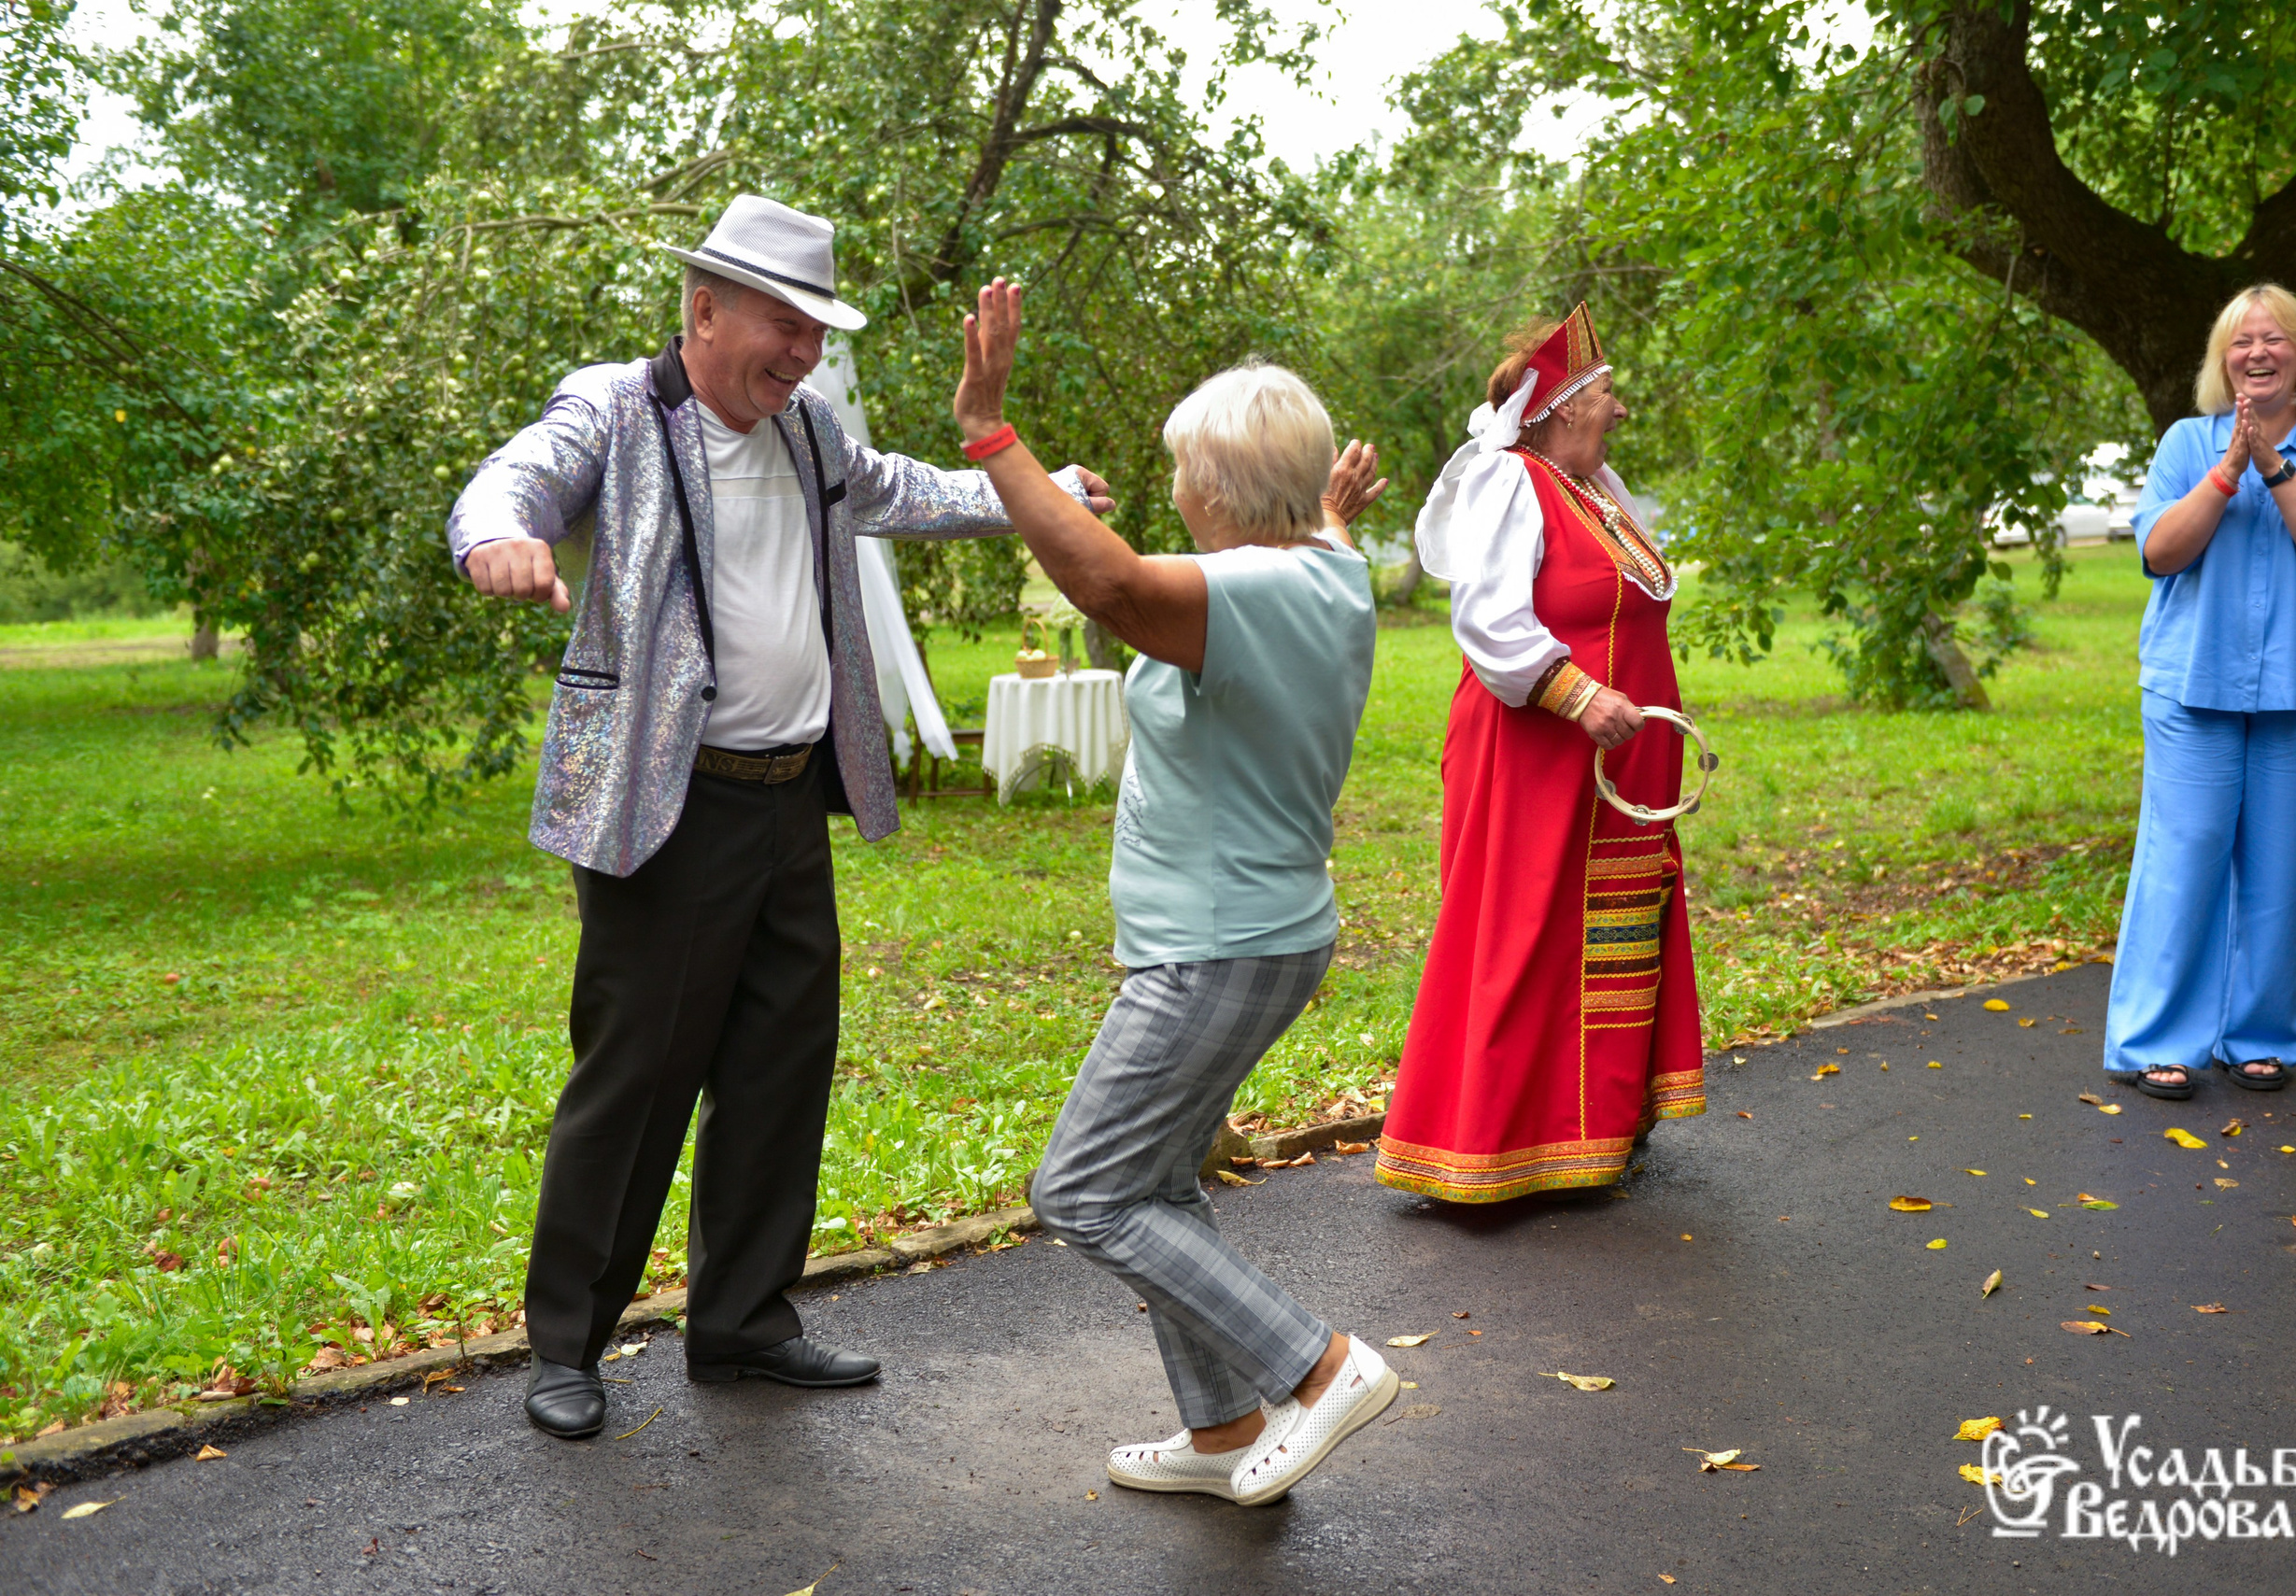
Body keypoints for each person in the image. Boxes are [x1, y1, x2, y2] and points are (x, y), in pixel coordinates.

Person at [446, 197, 1113, 1439]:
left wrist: (1042, 484)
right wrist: (500, 536)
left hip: (791, 797)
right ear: (705, 309)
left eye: (816, 332)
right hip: (667, 805)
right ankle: (569, 1342)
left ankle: (744, 1320)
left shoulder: (808, 433)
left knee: (779, 1069)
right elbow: (519, 475)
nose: (803, 353)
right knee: (638, 1076)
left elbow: (906, 489)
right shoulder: (619, 410)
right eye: (784, 325)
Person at [948, 277, 1396, 1505]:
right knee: (1155, 1185)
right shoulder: (1326, 574)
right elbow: (1239, 569)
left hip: (1219, 947)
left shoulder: (1244, 593)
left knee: (1085, 1188)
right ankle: (1215, 1431)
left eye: (1184, 471)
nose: (1174, 491)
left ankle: (1320, 1367)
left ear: (1223, 491)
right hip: (1248, 932)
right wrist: (1337, 514)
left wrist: (992, 429)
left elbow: (1110, 587)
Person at [1375, 304, 1706, 1203]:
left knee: (1608, 927)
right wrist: (1575, 692)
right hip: (1535, 751)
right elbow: (1486, 619)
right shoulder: (1512, 482)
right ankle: (1492, 1145)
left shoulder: (1597, 488)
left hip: (1615, 758)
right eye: (1608, 394)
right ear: (1562, 407)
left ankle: (1594, 1130)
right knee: (1525, 934)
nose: (1620, 411)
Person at [2106, 284, 2296, 1099]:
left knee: (2276, 869)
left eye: (2275, 339)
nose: (2258, 352)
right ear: (2220, 361)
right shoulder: (2186, 443)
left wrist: (2275, 464)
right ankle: (2156, 1040)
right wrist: (2231, 468)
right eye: (2241, 341)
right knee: (2183, 859)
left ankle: (2257, 1035)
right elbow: (2161, 551)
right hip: (2192, 690)